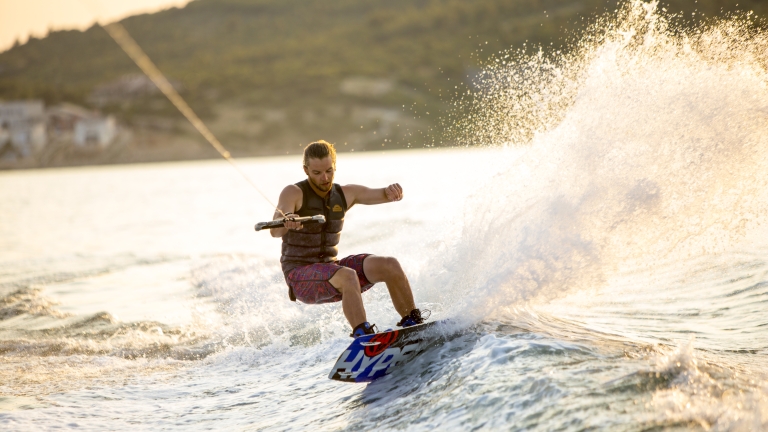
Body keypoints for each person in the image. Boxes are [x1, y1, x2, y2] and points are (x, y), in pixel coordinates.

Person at [271, 140, 426, 337]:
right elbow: (275, 229)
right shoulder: (294, 192)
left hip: (331, 269)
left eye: (329, 171)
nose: (324, 178)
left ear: (335, 166)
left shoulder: (345, 193)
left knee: (389, 265)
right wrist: (286, 221)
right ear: (306, 170)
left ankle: (413, 325)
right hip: (300, 277)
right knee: (348, 275)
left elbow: (381, 194)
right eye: (317, 173)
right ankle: (363, 337)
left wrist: (392, 192)